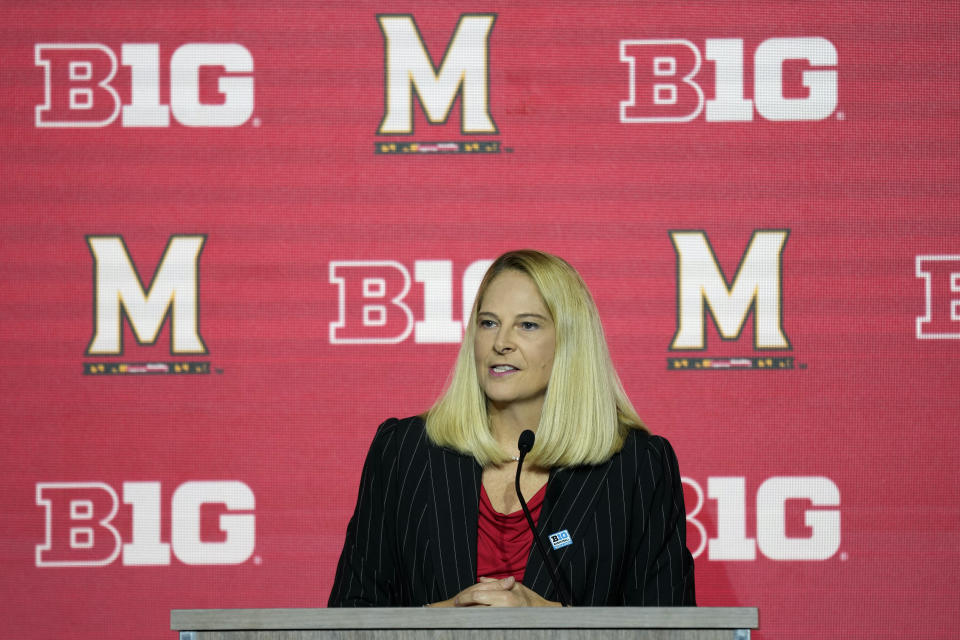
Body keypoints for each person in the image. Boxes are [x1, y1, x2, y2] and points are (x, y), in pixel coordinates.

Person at [328, 250, 695, 607]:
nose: (500, 343)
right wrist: (441, 621)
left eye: (527, 325)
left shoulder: (636, 466)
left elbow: (669, 626)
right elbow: (350, 615)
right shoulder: (403, 452)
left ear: (570, 342)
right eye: (488, 323)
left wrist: (550, 623)